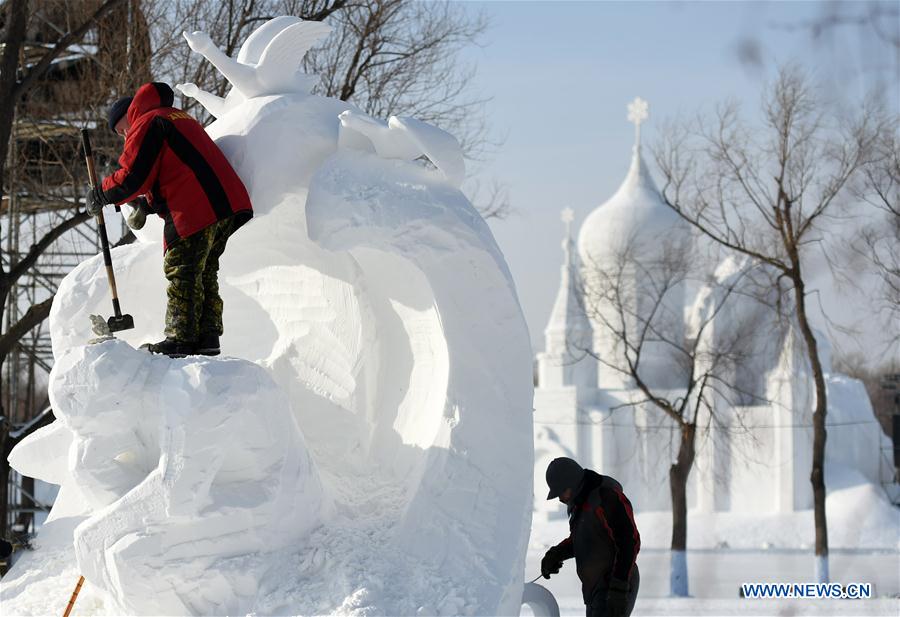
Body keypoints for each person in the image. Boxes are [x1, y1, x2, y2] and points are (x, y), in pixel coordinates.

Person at [85, 82, 253, 357]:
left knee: (182, 269)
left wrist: (100, 194)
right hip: (227, 203)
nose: (124, 134)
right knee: (204, 270)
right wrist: (148, 204)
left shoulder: (147, 122)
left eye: (121, 129)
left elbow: (131, 178)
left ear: (131, 114)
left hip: (195, 208)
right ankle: (207, 337)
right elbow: (177, 168)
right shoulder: (177, 117)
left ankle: (180, 339)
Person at [541, 457, 641, 617]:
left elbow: (629, 542)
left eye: (561, 491)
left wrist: (619, 586)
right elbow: (582, 541)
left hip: (615, 585)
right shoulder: (578, 505)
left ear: (573, 483)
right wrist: (556, 554)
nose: (560, 498)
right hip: (595, 588)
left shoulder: (606, 497)